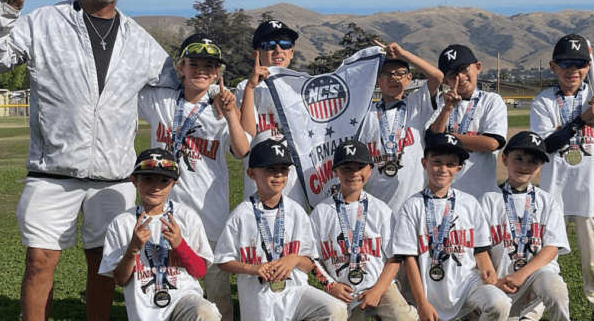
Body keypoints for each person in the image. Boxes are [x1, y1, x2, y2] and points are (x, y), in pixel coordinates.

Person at [0, 0, 175, 321]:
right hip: (52, 172)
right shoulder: (43, 22)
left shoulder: (140, 40)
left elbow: (179, 86)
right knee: (39, 261)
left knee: (104, 265)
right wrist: (4, 12)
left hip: (114, 174)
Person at [137, 33, 250, 321]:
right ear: (180, 68)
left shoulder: (221, 109)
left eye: (210, 66)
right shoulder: (159, 99)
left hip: (209, 214)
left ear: (218, 73)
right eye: (194, 63)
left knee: (216, 291)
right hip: (163, 213)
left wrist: (231, 114)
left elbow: (242, 149)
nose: (202, 70)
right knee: (164, 281)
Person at [530, 34, 594, 321]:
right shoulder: (544, 101)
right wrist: (583, 118)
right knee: (545, 254)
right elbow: (546, 146)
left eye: (580, 63)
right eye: (565, 63)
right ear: (553, 66)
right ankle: (533, 308)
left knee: (593, 257)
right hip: (554, 190)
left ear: (589, 66)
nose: (573, 70)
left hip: (591, 190)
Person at [214, 139, 348, 321]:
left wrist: (294, 259)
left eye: (283, 169)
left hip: (295, 292)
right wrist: (253, 268)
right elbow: (223, 260)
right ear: (252, 173)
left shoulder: (296, 211)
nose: (278, 175)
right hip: (259, 299)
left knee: (335, 309)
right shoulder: (242, 215)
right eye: (270, 169)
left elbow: (310, 263)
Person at [391, 131, 511, 321]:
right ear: (425, 163)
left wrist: (487, 268)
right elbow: (409, 259)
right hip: (428, 287)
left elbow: (480, 249)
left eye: (450, 164)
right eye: (436, 161)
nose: (442, 169)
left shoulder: (469, 203)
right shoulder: (412, 206)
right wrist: (421, 302)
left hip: (466, 284)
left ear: (459, 168)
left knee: (499, 304)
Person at [99, 148, 220, 320]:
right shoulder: (122, 223)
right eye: (148, 179)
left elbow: (200, 271)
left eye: (164, 180)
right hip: (145, 311)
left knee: (206, 312)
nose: (156, 187)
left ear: (174, 182)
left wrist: (180, 244)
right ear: (134, 180)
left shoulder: (187, 217)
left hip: (183, 299)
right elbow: (120, 280)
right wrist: (133, 249)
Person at [310, 140, 418, 320]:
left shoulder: (380, 210)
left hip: (381, 287)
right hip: (342, 292)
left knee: (404, 318)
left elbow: (394, 258)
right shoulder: (321, 213)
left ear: (370, 170)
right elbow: (310, 259)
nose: (354, 173)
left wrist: (377, 290)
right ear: (335, 171)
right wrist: (329, 286)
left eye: (360, 167)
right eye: (346, 168)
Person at [479, 131, 571, 321]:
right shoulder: (489, 200)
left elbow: (552, 247)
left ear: (541, 166)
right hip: (500, 280)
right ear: (504, 159)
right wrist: (494, 281)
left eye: (533, 161)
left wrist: (521, 275)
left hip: (535, 275)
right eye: (518, 158)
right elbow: (480, 248)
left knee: (556, 289)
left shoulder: (547, 201)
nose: (524, 166)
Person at [360, 41, 445, 213]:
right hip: (377, 203)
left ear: (409, 78)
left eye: (400, 73)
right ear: (377, 81)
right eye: (386, 75)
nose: (393, 78)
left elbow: (437, 77)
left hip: (414, 203)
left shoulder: (415, 104)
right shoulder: (365, 112)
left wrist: (403, 54)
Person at [237, 19, 308, 208]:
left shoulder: (303, 89)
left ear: (291, 52)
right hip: (259, 181)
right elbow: (247, 136)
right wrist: (251, 88)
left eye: (284, 44)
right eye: (269, 45)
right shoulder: (245, 87)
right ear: (257, 53)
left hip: (294, 182)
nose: (278, 50)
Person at [428, 45, 508, 200]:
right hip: (445, 192)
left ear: (477, 67)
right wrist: (447, 109)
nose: (459, 77)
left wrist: (446, 138)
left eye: (464, 68)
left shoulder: (491, 100)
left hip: (482, 192)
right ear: (445, 80)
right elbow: (431, 138)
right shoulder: (440, 103)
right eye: (452, 73)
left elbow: (492, 143)